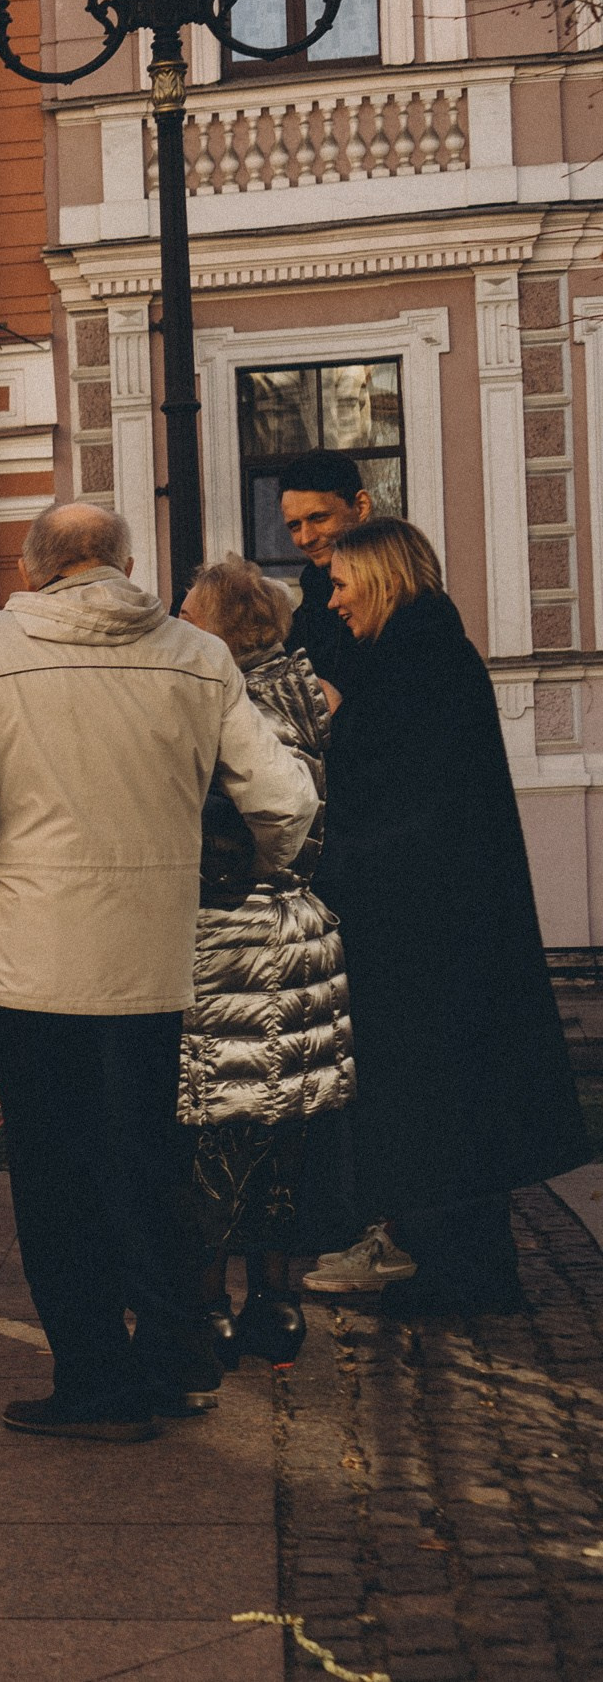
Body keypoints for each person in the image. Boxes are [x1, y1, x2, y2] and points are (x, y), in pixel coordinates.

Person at [0, 502, 316, 1442]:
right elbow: (284, 797)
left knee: (54, 1177)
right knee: (152, 1160)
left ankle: (94, 1377)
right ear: (129, 564)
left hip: (29, 961)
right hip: (151, 957)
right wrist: (259, 870)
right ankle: (178, 1357)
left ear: (32, 566)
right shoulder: (196, 655)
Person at [297, 517, 588, 1314]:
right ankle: (458, 1266)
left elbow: (397, 804)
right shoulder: (421, 657)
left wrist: (335, 864)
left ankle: (458, 1276)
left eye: (344, 581)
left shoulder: (412, 665)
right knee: (449, 1102)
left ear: (382, 578)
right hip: (439, 924)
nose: (335, 597)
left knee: (437, 1104)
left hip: (421, 931)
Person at [173, 559, 351, 1370]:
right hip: (301, 932)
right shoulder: (312, 691)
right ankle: (276, 1306)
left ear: (214, 624)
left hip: (229, 936)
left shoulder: (221, 701)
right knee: (283, 1134)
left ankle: (205, 1306)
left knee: (214, 1129)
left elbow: (229, 825)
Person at [272, 449, 371, 692]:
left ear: (361, 506)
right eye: (295, 526)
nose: (306, 538)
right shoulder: (313, 594)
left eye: (319, 518)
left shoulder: (402, 590)